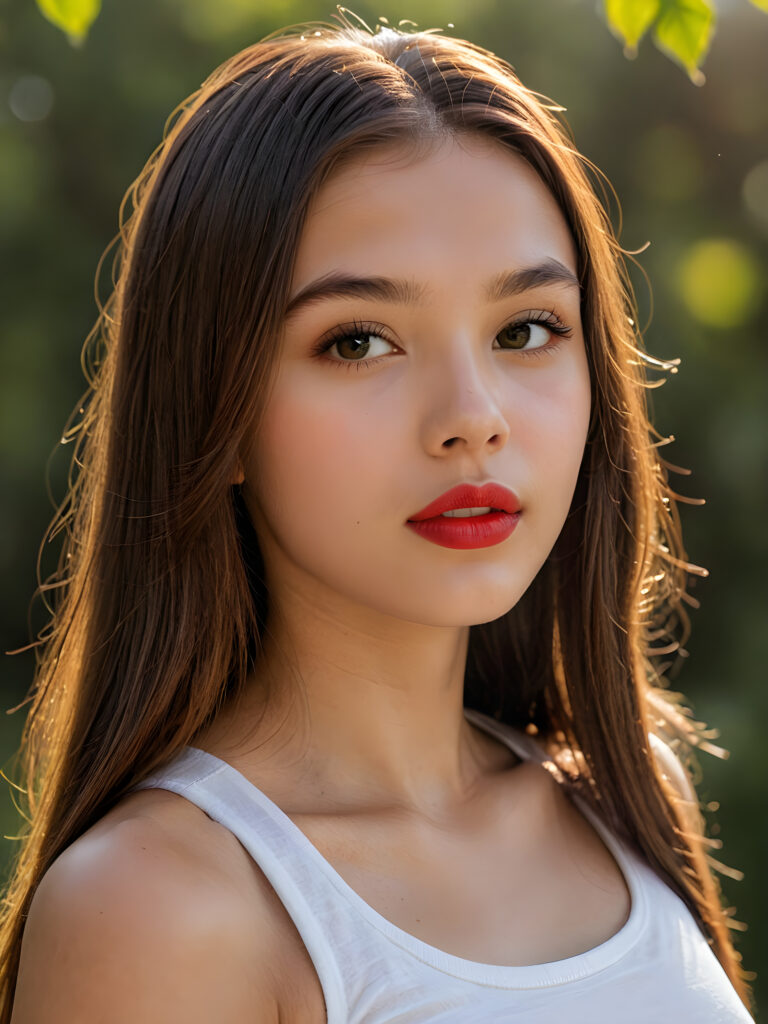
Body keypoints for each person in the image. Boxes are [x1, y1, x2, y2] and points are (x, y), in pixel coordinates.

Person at [0, 11, 755, 1023]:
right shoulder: (158, 906)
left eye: (526, 328)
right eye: (358, 342)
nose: (472, 420)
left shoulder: (619, 794)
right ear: (214, 414)